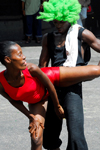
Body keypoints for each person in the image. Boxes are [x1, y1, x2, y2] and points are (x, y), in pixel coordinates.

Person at [1, 41, 100, 150]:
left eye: (22, 53)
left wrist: (57, 106)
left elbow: (50, 86)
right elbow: (13, 100)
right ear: (8, 59)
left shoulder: (31, 69)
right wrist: (31, 116)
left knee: (96, 71)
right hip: (38, 102)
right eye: (19, 54)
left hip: (53, 76)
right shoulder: (1, 82)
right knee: (36, 139)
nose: (24, 57)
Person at [37, 0, 100, 149]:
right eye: (55, 22)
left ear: (70, 17)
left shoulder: (81, 33)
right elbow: (42, 66)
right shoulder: (48, 38)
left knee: (76, 136)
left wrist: (94, 70)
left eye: (62, 22)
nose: (58, 25)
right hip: (52, 88)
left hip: (73, 90)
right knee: (50, 135)